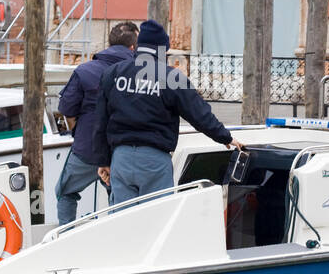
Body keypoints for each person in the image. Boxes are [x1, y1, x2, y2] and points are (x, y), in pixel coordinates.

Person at [92, 19, 243, 205]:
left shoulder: (113, 73)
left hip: (121, 159)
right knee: (157, 220)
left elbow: (99, 120)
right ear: (162, 49)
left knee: (123, 224)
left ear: (139, 46)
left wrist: (103, 160)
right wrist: (225, 137)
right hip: (154, 162)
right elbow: (198, 114)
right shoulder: (171, 77)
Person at [53, 20, 138, 224]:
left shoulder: (85, 71)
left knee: (65, 192)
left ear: (109, 43)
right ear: (134, 47)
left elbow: (66, 109)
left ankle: (66, 240)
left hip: (87, 148)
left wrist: (78, 128)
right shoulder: (141, 74)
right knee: (119, 202)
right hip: (124, 150)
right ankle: (114, 243)